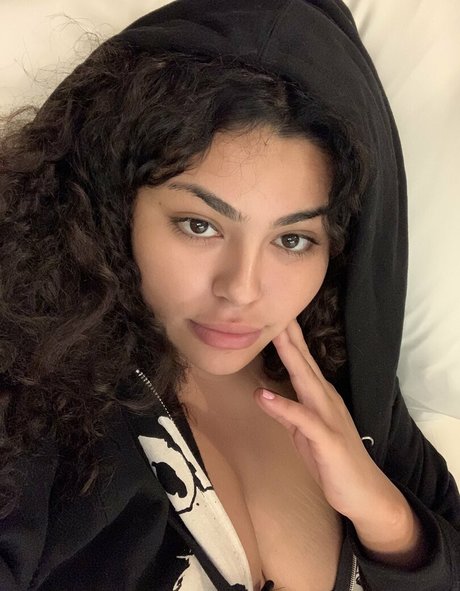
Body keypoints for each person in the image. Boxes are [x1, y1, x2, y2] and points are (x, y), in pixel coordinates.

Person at [0, 0, 459, 589]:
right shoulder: (29, 392)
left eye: (292, 239)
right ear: (114, 204)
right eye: (200, 225)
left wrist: (386, 518)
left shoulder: (347, 385)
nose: (242, 289)